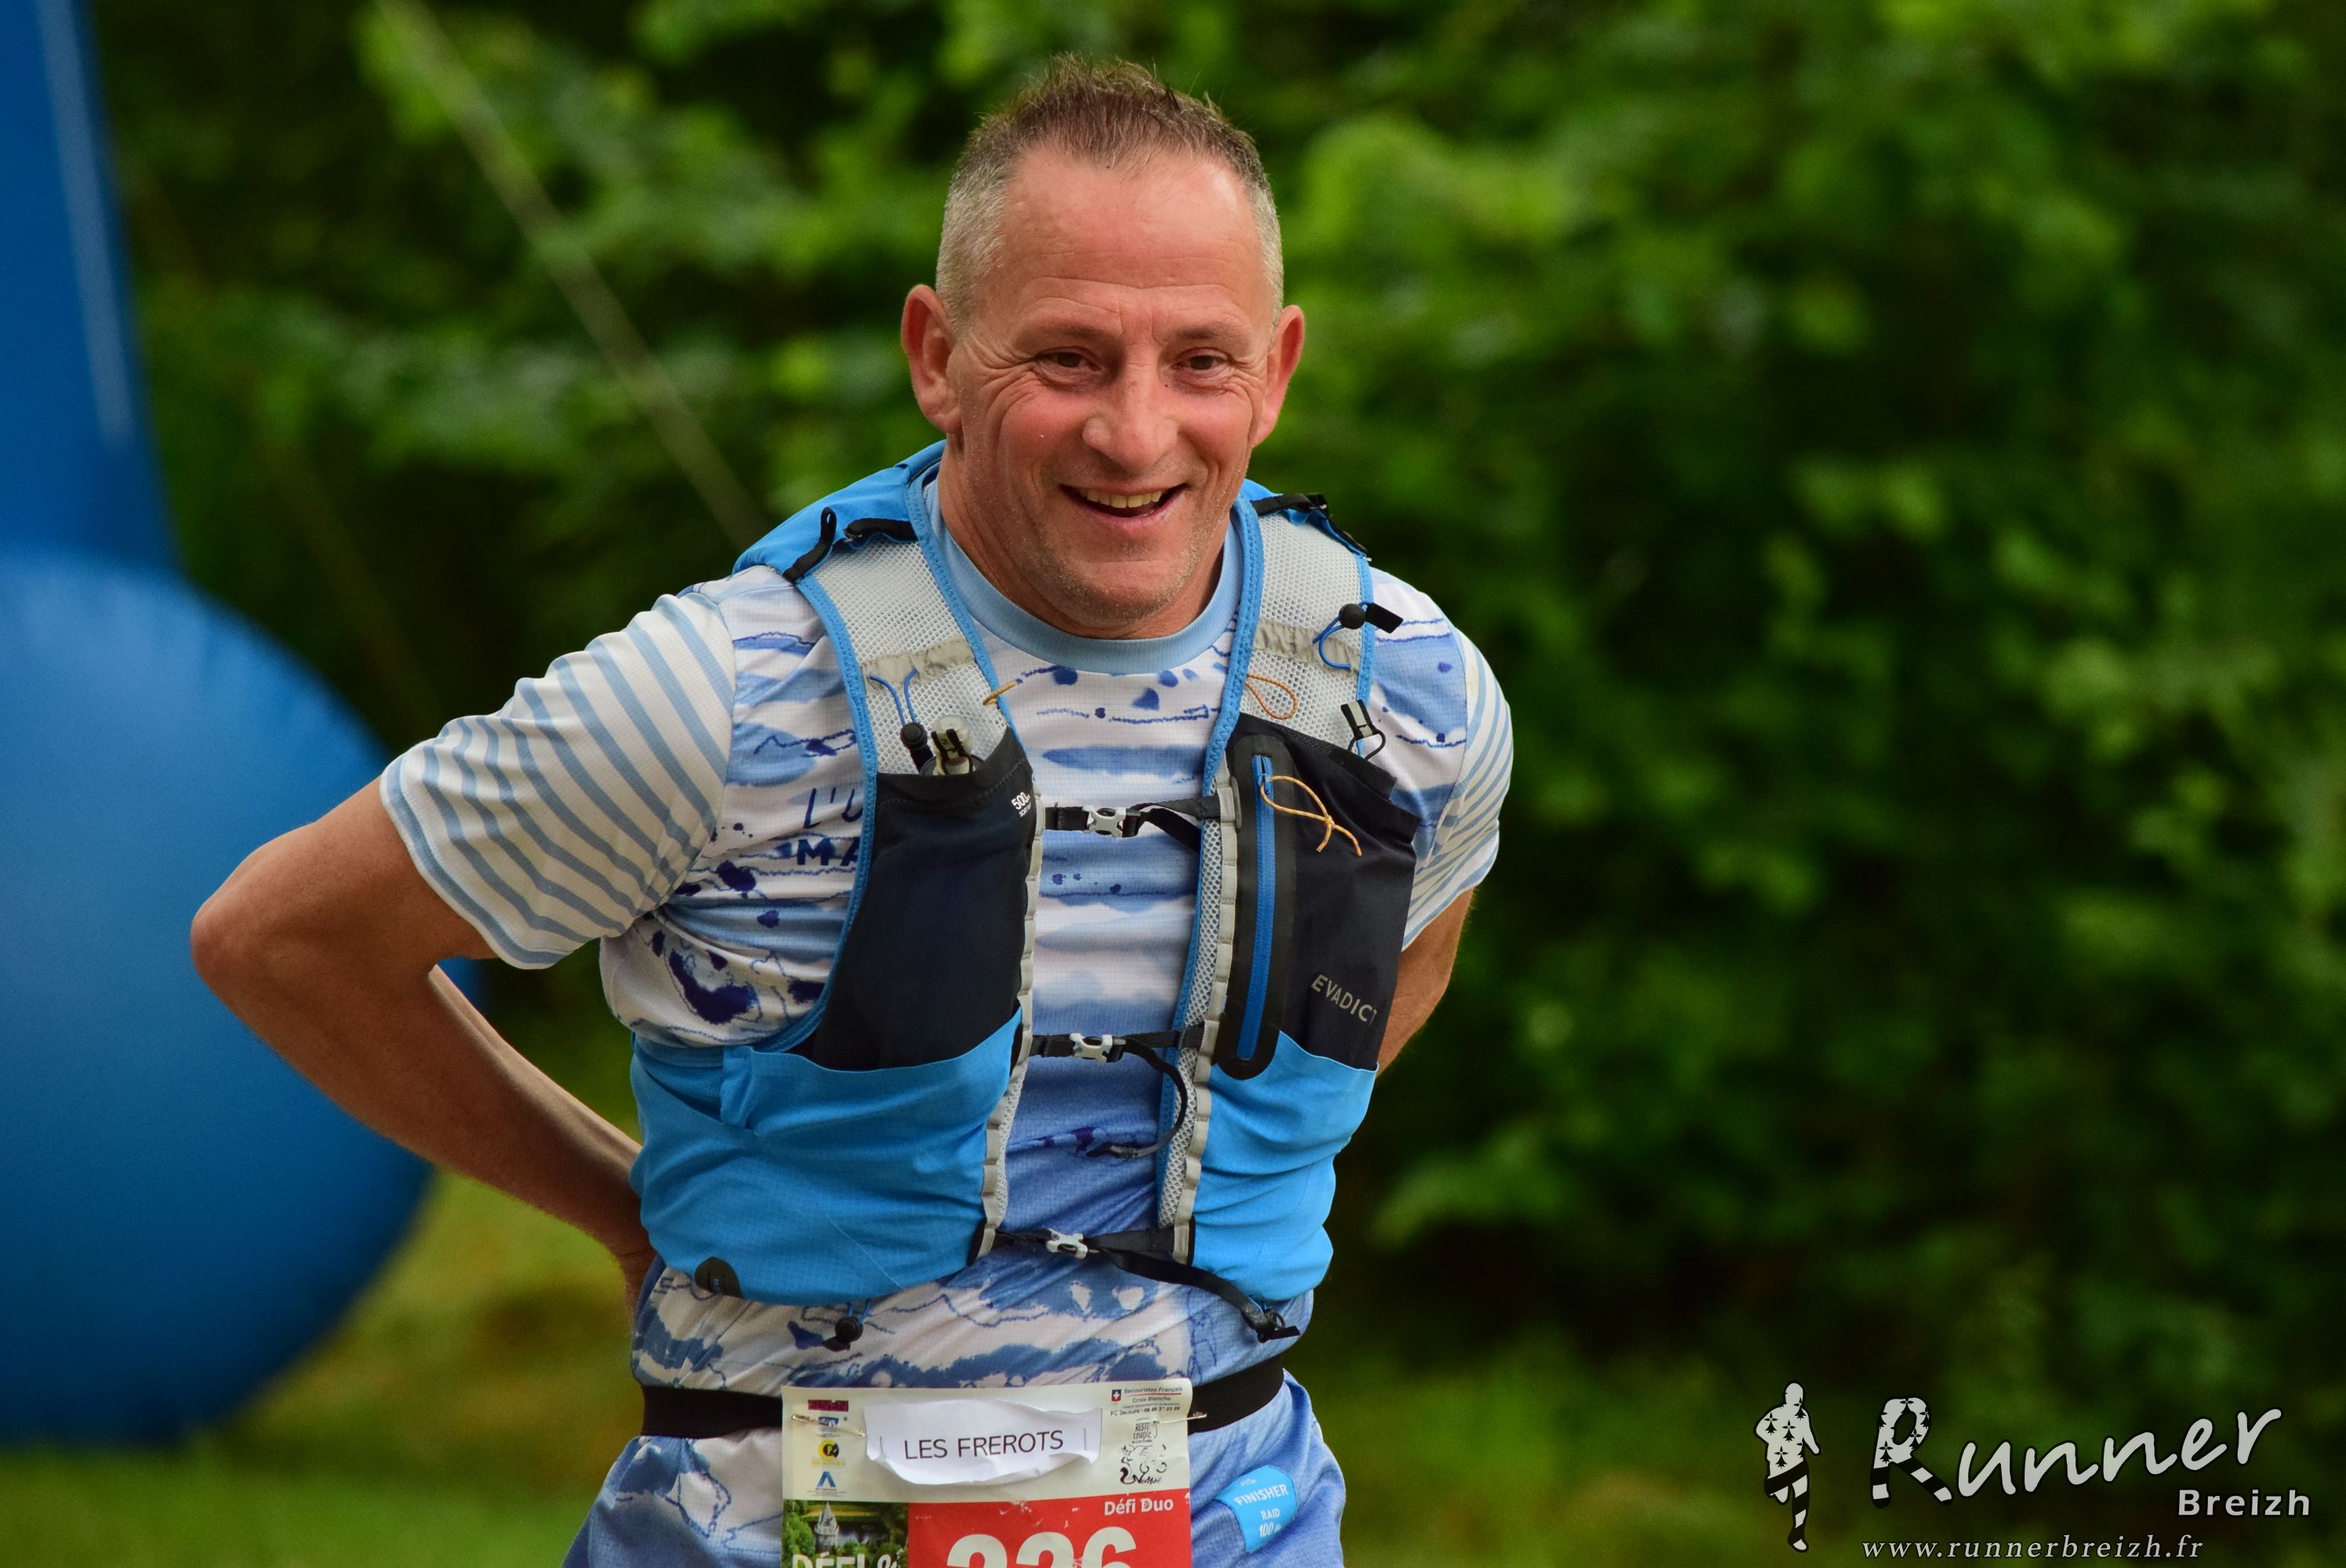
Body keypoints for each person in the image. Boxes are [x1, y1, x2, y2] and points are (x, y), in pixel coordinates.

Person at [194, 57, 1511, 1564]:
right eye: (1070, 359)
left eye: (1199, 362)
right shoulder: (716, 698)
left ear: (1277, 370)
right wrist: (619, 1203)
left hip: (1238, 1512)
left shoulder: (1408, 693)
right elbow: (282, 940)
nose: (1138, 432)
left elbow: (1415, 943)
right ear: (937, 356)